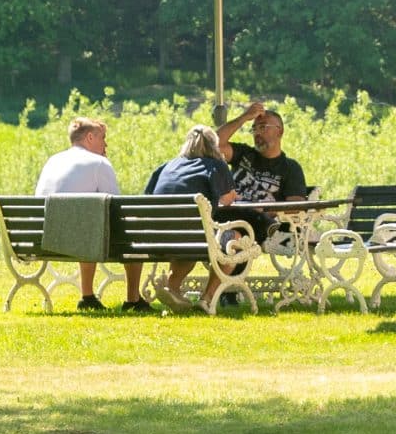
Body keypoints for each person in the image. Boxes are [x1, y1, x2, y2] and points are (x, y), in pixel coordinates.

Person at [143, 124, 239, 310]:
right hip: (194, 238)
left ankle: (172, 288)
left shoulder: (167, 166)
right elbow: (227, 199)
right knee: (234, 239)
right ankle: (207, 298)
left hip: (156, 238)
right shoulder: (216, 165)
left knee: (190, 236)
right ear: (214, 146)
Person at [34, 116, 120, 311]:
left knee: (87, 220)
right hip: (80, 239)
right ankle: (133, 299)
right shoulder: (99, 163)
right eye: (103, 138)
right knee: (96, 224)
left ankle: (88, 296)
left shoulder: (52, 161)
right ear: (90, 137)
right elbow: (116, 207)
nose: (105, 143)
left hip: (43, 239)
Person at [220, 100, 310, 203]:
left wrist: (263, 210)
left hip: (262, 218)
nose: (257, 133)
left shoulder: (291, 168)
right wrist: (244, 117)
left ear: (280, 132)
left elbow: (296, 208)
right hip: (229, 216)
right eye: (254, 129)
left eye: (263, 127)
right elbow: (214, 145)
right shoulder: (242, 154)